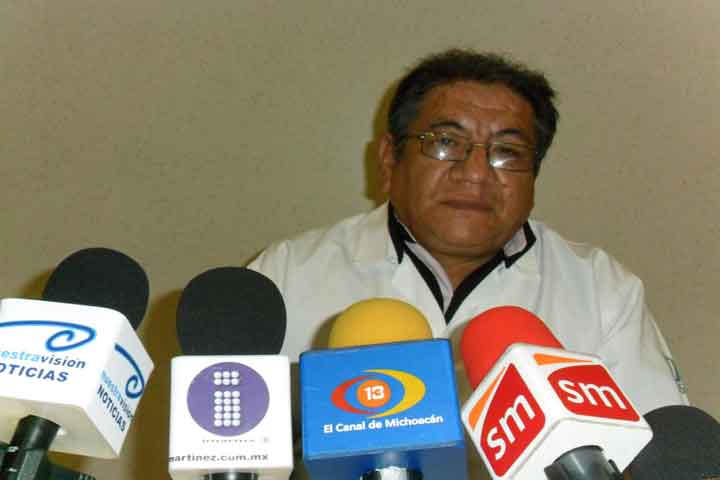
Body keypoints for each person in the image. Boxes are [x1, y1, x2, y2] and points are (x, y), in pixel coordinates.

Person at [248, 48, 688, 415]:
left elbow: (655, 452)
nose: (476, 173)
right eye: (445, 143)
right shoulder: (287, 277)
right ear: (389, 159)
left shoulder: (601, 289)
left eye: (507, 151)